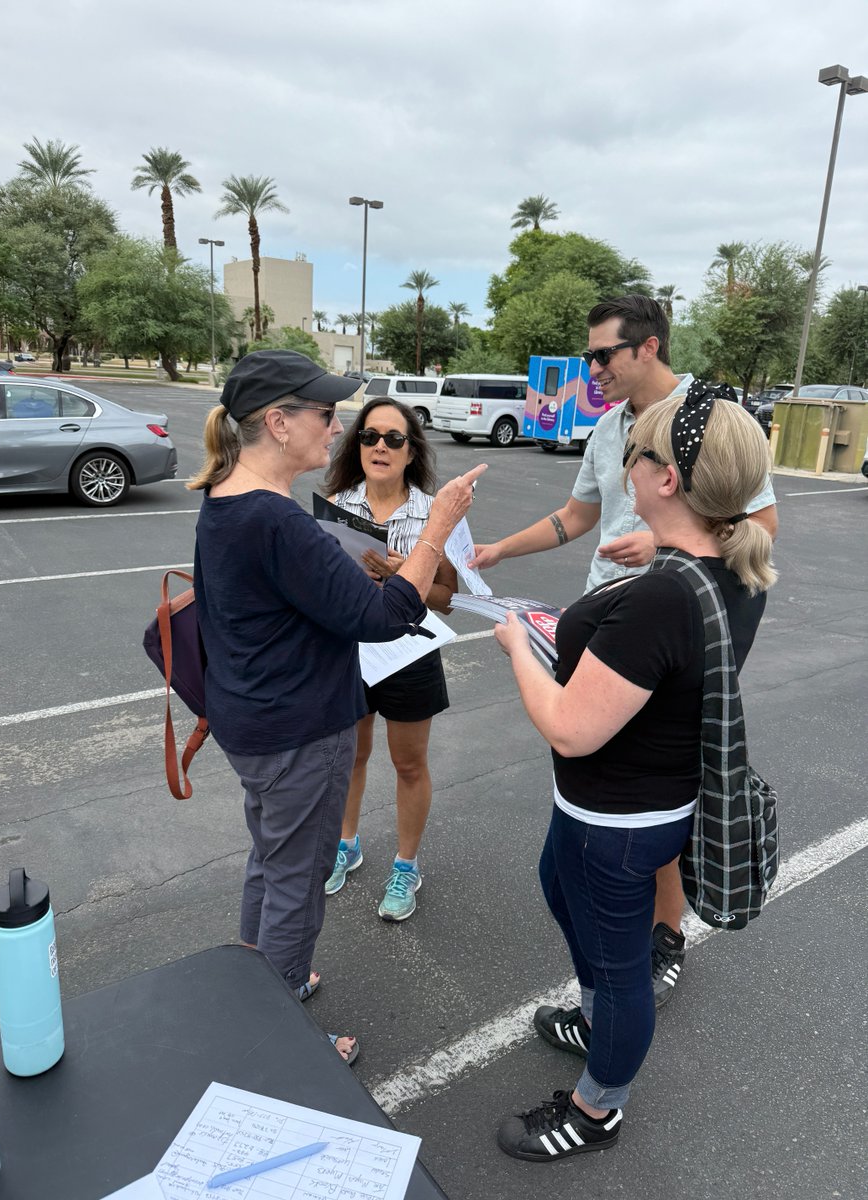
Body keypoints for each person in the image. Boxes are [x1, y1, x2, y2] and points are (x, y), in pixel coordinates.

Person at [493, 384, 777, 1162]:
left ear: (668, 481)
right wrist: (661, 552)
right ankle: (597, 1019)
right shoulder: (727, 563)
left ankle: (596, 1109)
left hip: (616, 821)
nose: (626, 458)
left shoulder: (663, 596)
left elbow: (571, 729)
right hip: (632, 805)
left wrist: (521, 646)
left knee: (621, 972)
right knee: (560, 888)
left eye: (639, 450)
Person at [470, 295, 778, 1006]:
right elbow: (577, 515)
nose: (592, 369)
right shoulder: (608, 427)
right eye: (587, 357)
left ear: (647, 348)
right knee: (605, 785)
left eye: (602, 355)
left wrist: (666, 544)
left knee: (658, 786)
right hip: (610, 622)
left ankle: (662, 939)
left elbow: (758, 518)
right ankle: (618, 953)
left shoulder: (708, 418)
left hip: (676, 615)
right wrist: (498, 550)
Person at [189, 350, 485, 1061]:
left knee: (271, 859)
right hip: (295, 732)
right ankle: (283, 1036)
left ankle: (260, 981)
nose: (340, 426)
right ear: (279, 422)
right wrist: (437, 526)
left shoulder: (227, 499)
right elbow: (383, 618)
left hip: (253, 723)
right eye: (326, 413)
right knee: (296, 880)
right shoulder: (278, 520)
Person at [323, 398, 457, 921]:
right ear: (357, 446)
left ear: (410, 450)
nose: (380, 446)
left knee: (408, 763)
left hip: (408, 651)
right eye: (370, 436)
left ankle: (406, 865)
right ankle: (346, 844)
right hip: (350, 649)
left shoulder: (432, 511)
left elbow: (449, 594)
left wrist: (410, 574)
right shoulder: (336, 503)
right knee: (349, 757)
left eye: (394, 439)